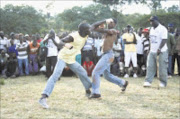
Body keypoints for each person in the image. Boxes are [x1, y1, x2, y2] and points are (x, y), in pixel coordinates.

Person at [39, 22, 92, 109]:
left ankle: (88, 91)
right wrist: (65, 44)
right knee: (55, 75)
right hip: (63, 58)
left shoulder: (86, 34)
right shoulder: (72, 36)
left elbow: (95, 25)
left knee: (82, 72)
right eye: (88, 29)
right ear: (83, 30)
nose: (90, 30)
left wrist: (106, 21)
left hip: (71, 59)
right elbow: (60, 42)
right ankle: (43, 97)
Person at [89, 18, 128, 99]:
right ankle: (123, 83)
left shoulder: (113, 31)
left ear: (115, 24)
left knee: (95, 72)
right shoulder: (106, 32)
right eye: (109, 22)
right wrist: (104, 21)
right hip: (106, 55)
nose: (109, 23)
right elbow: (92, 27)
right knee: (107, 76)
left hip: (108, 55)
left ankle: (95, 92)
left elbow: (95, 28)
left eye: (111, 22)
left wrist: (103, 21)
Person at [143, 16, 168, 88]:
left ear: (157, 21)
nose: (151, 22)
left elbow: (164, 40)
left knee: (162, 67)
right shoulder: (151, 29)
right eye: (150, 21)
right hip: (152, 51)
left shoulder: (162, 29)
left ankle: (163, 82)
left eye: (152, 21)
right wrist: (149, 49)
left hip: (162, 51)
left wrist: (159, 48)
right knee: (150, 66)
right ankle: (148, 81)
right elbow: (151, 40)